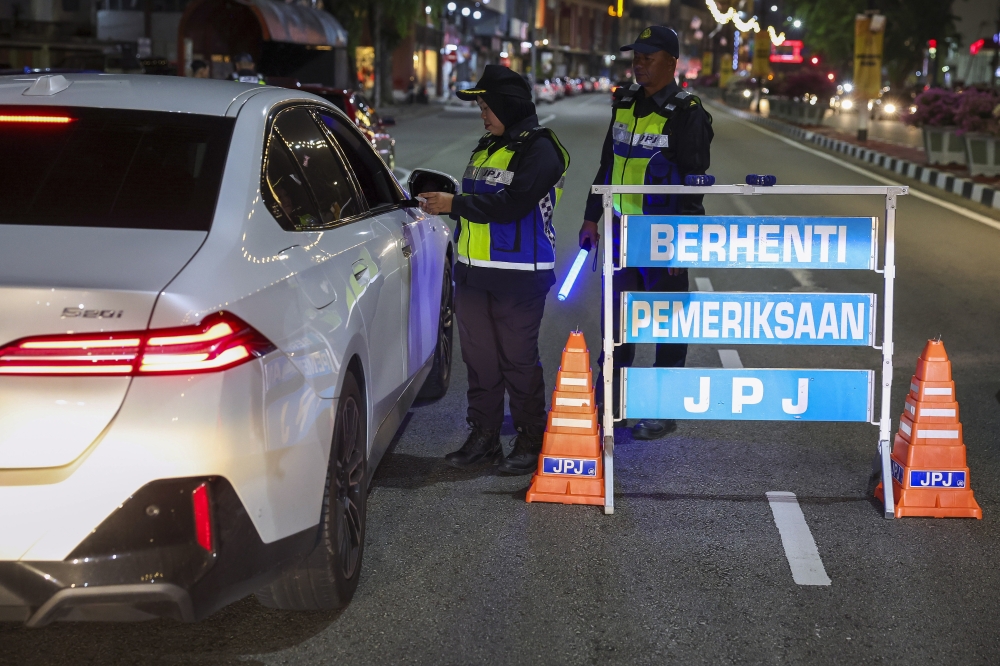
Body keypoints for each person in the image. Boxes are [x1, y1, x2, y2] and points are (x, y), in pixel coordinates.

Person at [419, 65, 570, 475]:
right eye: (481, 107)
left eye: (488, 106)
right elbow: (478, 206)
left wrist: (455, 204)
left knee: (518, 363)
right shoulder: (488, 145)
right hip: (474, 274)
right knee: (481, 363)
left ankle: (529, 438)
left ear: (509, 104)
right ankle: (483, 438)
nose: (483, 115)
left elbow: (512, 205)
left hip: (519, 276)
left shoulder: (541, 148)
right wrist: (447, 205)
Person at [578, 25, 713, 441]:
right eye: (636, 56)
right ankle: (612, 402)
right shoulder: (624, 104)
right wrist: (590, 218)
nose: (638, 63)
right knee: (616, 324)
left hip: (661, 238)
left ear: (672, 63)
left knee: (667, 328)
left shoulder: (688, 113)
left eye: (648, 57)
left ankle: (661, 408)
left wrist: (682, 245)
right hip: (621, 234)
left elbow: (695, 183)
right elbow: (607, 164)